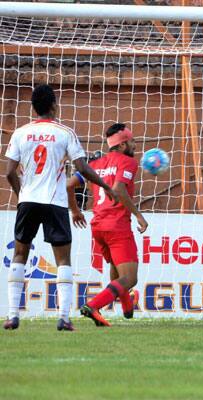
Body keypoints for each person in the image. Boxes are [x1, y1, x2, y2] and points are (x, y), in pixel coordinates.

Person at [3, 84, 116, 331]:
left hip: (29, 201)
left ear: (32, 107)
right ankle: (64, 318)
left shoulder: (20, 133)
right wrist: (106, 186)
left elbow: (10, 171)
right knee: (62, 259)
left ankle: (12, 316)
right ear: (55, 105)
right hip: (54, 202)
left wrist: (21, 194)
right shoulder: (65, 133)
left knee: (20, 254)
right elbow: (83, 169)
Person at [66, 123, 148, 326]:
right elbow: (119, 190)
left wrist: (75, 211)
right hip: (117, 225)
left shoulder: (95, 163)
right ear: (121, 145)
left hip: (98, 226)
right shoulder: (128, 162)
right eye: (132, 141)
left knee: (117, 273)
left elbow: (69, 185)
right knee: (130, 279)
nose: (135, 145)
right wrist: (139, 215)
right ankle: (93, 306)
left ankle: (128, 309)